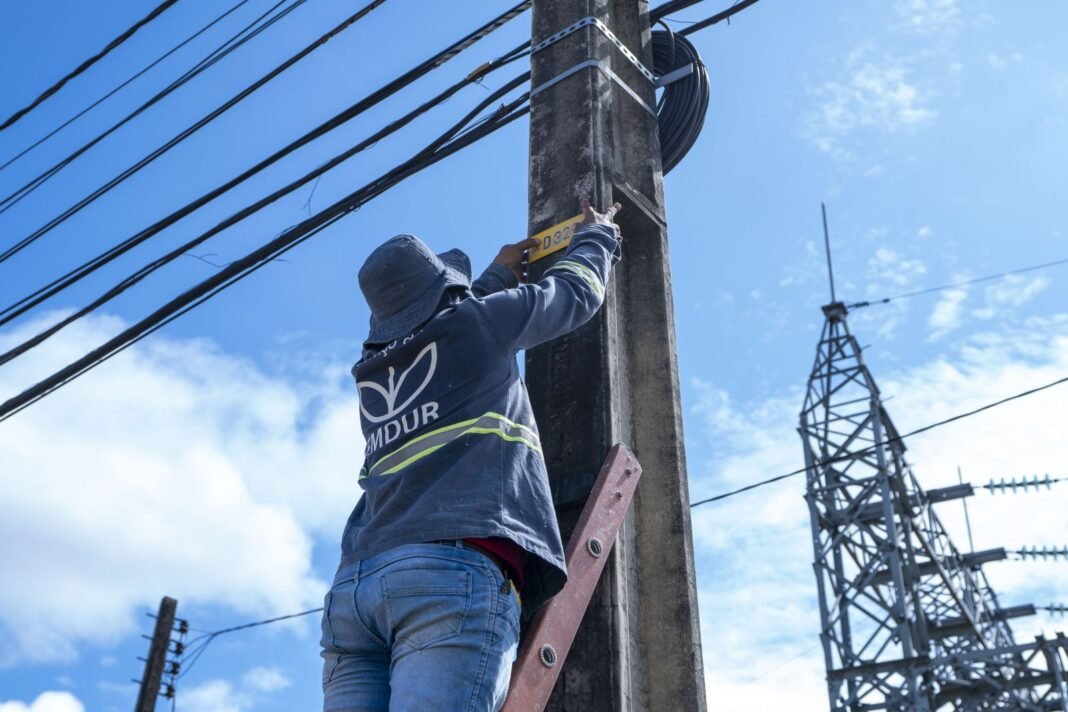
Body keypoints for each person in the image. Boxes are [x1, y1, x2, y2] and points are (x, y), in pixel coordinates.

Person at [321, 200, 623, 711]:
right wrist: (598, 238)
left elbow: (452, 324)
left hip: (356, 590)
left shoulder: (374, 375)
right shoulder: (477, 325)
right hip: (448, 574)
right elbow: (573, 294)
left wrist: (498, 274)